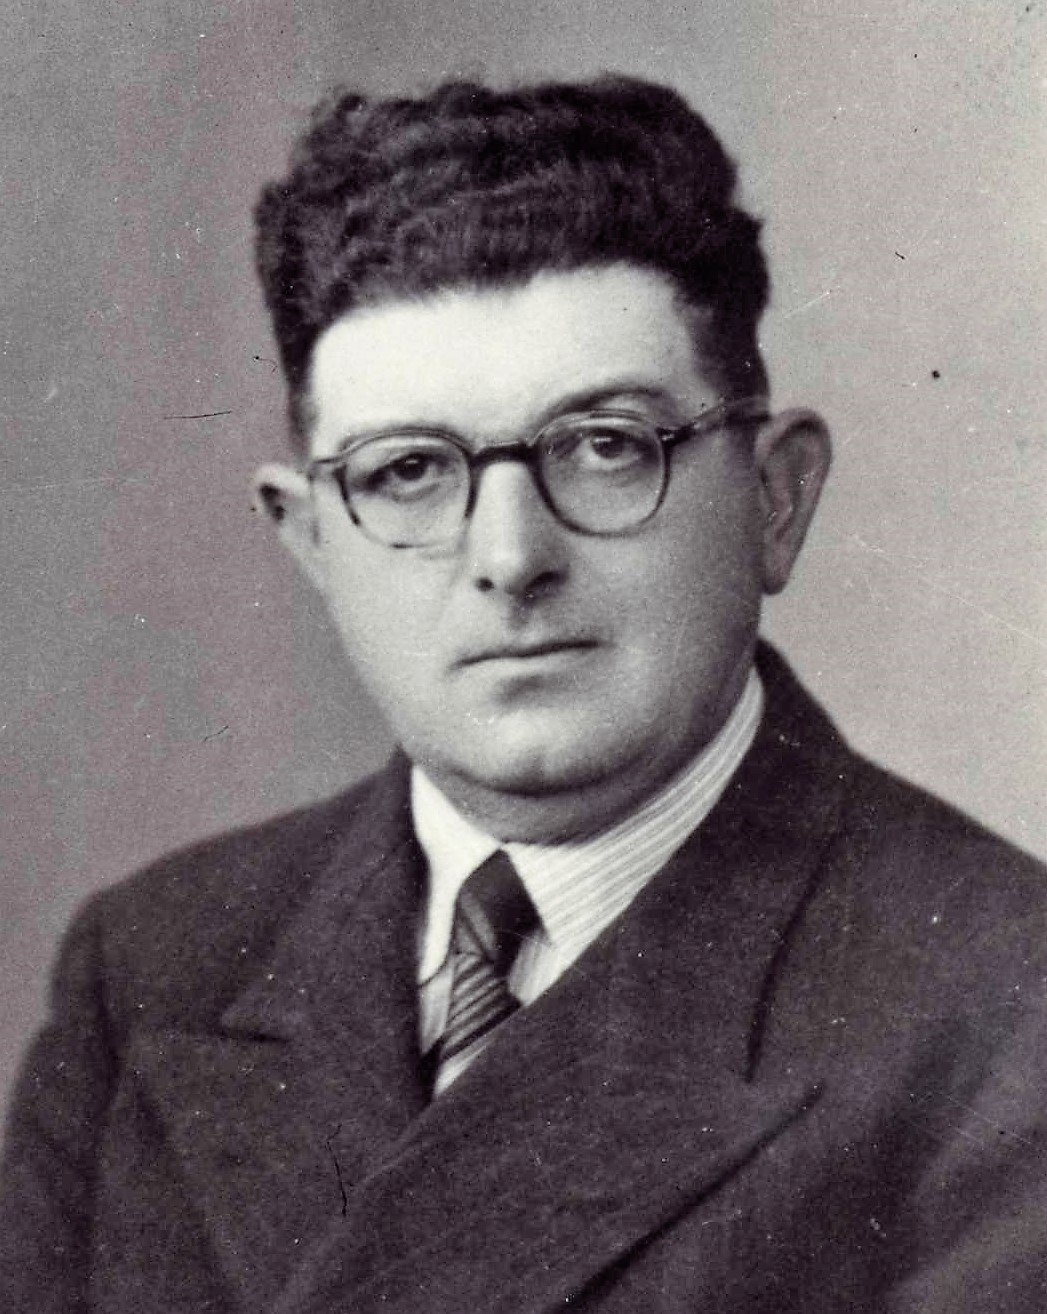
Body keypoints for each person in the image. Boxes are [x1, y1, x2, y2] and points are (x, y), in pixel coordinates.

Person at [2, 74, 1046, 1314]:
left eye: (606, 446)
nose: (509, 557)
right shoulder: (151, 965)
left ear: (776, 499)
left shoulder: (1005, 1009)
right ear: (311, 538)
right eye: (407, 472)